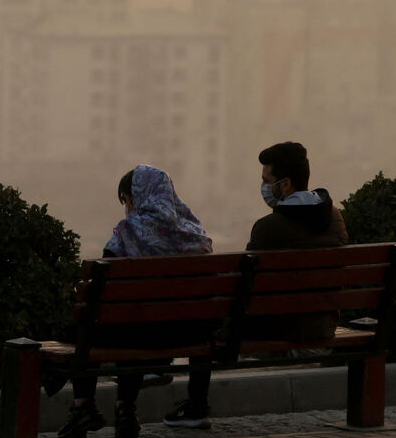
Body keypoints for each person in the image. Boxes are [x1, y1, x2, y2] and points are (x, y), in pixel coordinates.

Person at [162, 141, 348, 430]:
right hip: (322, 323)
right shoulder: (335, 218)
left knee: (203, 318)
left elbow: (242, 289)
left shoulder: (268, 228)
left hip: (283, 327)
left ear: (285, 184)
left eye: (266, 181)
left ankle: (196, 406)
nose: (263, 188)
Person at [58, 165, 213, 438]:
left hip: (138, 336)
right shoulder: (195, 234)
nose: (127, 208)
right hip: (184, 336)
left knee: (88, 324)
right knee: (124, 321)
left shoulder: (127, 233)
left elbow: (102, 295)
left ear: (139, 198)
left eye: (127, 200)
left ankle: (85, 407)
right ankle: (125, 409)